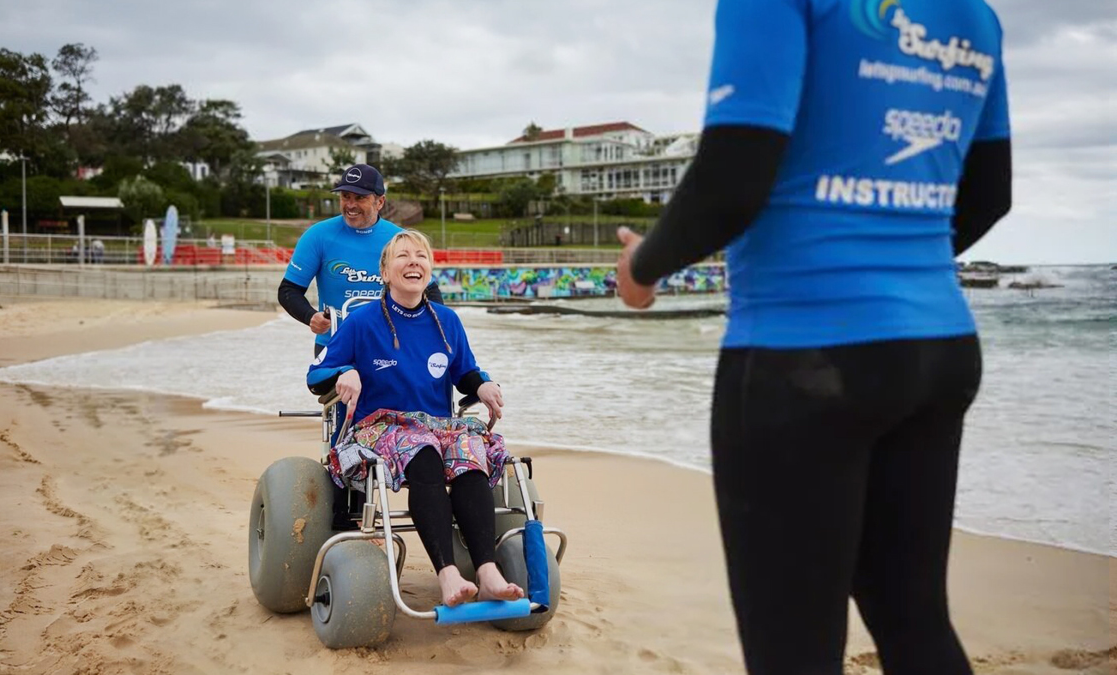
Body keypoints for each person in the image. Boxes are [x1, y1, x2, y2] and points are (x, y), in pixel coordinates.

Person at [615, 1, 1011, 673]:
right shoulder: (974, 14)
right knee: (914, 619)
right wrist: (895, 261)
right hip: (939, 344)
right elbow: (991, 192)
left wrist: (641, 268)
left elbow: (734, 176)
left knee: (793, 651)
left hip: (802, 355)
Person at [305, 230, 522, 608]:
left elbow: (465, 370)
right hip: (380, 426)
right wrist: (344, 372)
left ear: (430, 271)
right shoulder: (361, 321)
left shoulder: (446, 321)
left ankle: (487, 571)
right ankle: (448, 575)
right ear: (385, 273)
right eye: (403, 256)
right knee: (424, 456)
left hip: (439, 426)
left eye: (421, 256)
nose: (413, 262)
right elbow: (315, 376)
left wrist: (483, 385)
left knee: (472, 460)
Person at [278, 163, 442, 357]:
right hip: (335, 346)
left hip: (391, 348)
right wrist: (310, 315)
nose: (350, 205)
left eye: (360, 198)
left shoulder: (399, 239)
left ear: (380, 202)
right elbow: (289, 290)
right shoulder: (318, 236)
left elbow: (430, 292)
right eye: (345, 196)